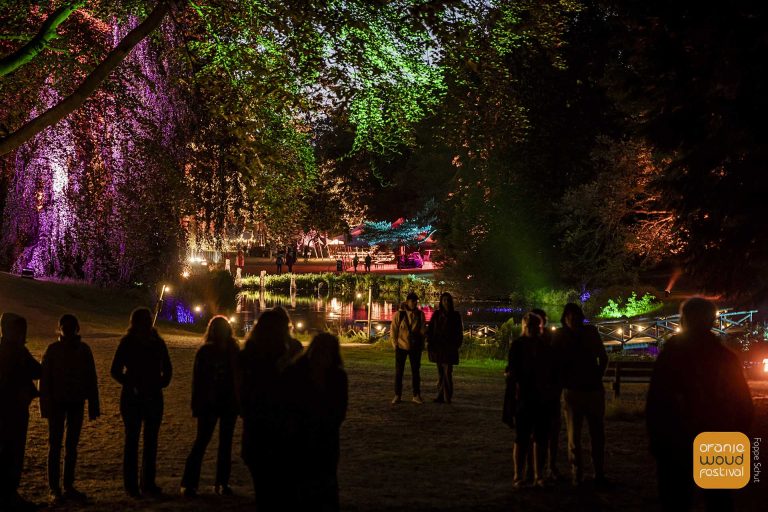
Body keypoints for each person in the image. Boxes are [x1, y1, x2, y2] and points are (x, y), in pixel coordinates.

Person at [647, 298, 753, 512]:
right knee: (719, 499)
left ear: (683, 320)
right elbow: (743, 404)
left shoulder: (670, 355)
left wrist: (657, 437)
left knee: (676, 499)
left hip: (676, 437)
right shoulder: (726, 358)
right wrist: (737, 433)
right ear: (712, 321)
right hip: (719, 433)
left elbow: (657, 400)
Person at [110, 308, 173, 497]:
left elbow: (167, 368)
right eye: (144, 320)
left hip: (152, 396)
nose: (147, 323)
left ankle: (148, 483)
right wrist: (132, 384)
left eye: (148, 320)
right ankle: (132, 485)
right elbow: (115, 370)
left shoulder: (158, 343)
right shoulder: (128, 342)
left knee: (151, 441)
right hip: (133, 397)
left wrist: (160, 383)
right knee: (132, 441)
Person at [283, 333, 348, 510]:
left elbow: (339, 409)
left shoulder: (337, 377)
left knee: (324, 478)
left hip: (324, 436)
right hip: (303, 436)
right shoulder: (296, 373)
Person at [40, 314, 100, 504]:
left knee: (69, 446)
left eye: (70, 326)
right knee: (56, 446)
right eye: (65, 326)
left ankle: (66, 486)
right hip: (59, 403)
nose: (67, 329)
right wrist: (45, 406)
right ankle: (55, 488)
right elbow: (45, 380)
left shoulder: (82, 350)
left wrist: (93, 404)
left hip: (75, 402)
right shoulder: (54, 350)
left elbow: (91, 378)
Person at [181, 316, 241, 497]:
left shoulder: (232, 350)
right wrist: (198, 404)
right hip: (210, 403)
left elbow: (238, 377)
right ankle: (190, 483)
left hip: (227, 402)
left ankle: (221, 482)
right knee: (202, 441)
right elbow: (198, 382)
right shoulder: (206, 352)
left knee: (225, 444)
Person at [239, 310, 293, 510]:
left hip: (257, 420)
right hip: (272, 420)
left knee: (262, 474)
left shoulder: (249, 353)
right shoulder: (281, 354)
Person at [552, 303, 608, 488]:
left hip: (583, 389)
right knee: (583, 435)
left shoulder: (563, 335)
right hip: (579, 389)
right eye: (570, 315)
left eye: (575, 315)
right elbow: (603, 357)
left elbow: (555, 361)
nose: (573, 319)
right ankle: (586, 474)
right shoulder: (587, 332)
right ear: (566, 317)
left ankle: (587, 474)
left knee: (585, 435)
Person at [503, 313, 557, 488]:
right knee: (522, 438)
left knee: (539, 438)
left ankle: (537, 475)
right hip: (524, 397)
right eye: (529, 326)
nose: (532, 329)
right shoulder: (518, 346)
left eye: (535, 326)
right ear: (525, 327)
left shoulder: (544, 347)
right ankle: (519, 475)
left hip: (540, 397)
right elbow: (512, 372)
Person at [0, 313, 41, 511]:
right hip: (8, 412)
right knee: (9, 452)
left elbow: (36, 370)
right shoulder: (8, 353)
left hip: (17, 410)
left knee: (14, 452)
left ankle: (10, 493)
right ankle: (7, 494)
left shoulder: (19, 351)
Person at [530, 308, 562, 481]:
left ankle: (550, 465)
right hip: (538, 393)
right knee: (538, 433)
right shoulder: (530, 342)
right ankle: (538, 467)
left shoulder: (550, 340)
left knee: (553, 431)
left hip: (551, 393)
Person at [426, 292, 463, 403]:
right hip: (438, 348)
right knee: (440, 373)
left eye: (448, 300)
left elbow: (459, 332)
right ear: (441, 302)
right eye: (444, 300)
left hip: (449, 348)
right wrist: (430, 342)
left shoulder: (455, 315)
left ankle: (447, 396)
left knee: (447, 373)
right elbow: (431, 329)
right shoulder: (437, 314)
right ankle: (441, 396)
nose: (446, 302)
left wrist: (456, 345)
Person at [390, 292, 427, 404]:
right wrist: (395, 344)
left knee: (416, 372)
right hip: (401, 346)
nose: (414, 303)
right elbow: (393, 330)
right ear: (407, 302)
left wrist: (423, 339)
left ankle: (416, 395)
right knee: (399, 372)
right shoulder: (399, 314)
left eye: (416, 301)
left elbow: (422, 330)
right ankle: (397, 395)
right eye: (412, 301)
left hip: (415, 347)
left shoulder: (420, 314)